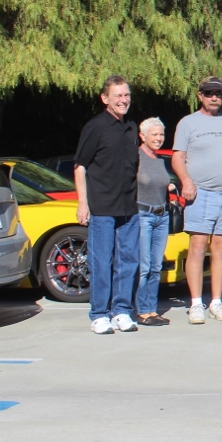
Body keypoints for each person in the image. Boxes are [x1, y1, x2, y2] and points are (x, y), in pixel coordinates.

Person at [75, 76, 142, 334]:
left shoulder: (131, 127)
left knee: (128, 261)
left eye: (127, 95)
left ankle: (121, 311)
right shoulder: (95, 127)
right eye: (118, 96)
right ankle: (99, 314)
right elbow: (80, 166)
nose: (124, 100)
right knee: (101, 262)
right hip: (102, 207)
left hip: (129, 207)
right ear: (105, 99)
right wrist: (83, 203)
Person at [171, 76, 222, 324]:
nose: (214, 98)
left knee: (221, 248)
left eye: (218, 94)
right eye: (209, 93)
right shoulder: (188, 123)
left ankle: (216, 302)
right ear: (200, 95)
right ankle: (196, 303)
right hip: (200, 193)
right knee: (198, 247)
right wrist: (186, 181)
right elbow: (177, 157)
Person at [134, 117, 174, 326]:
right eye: (154, 134)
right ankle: (142, 311)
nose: (159, 138)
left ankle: (151, 309)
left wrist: (170, 188)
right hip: (143, 215)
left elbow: (160, 183)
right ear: (143, 136)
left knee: (156, 266)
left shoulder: (159, 159)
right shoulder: (136, 157)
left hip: (162, 215)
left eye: (161, 134)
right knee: (144, 266)